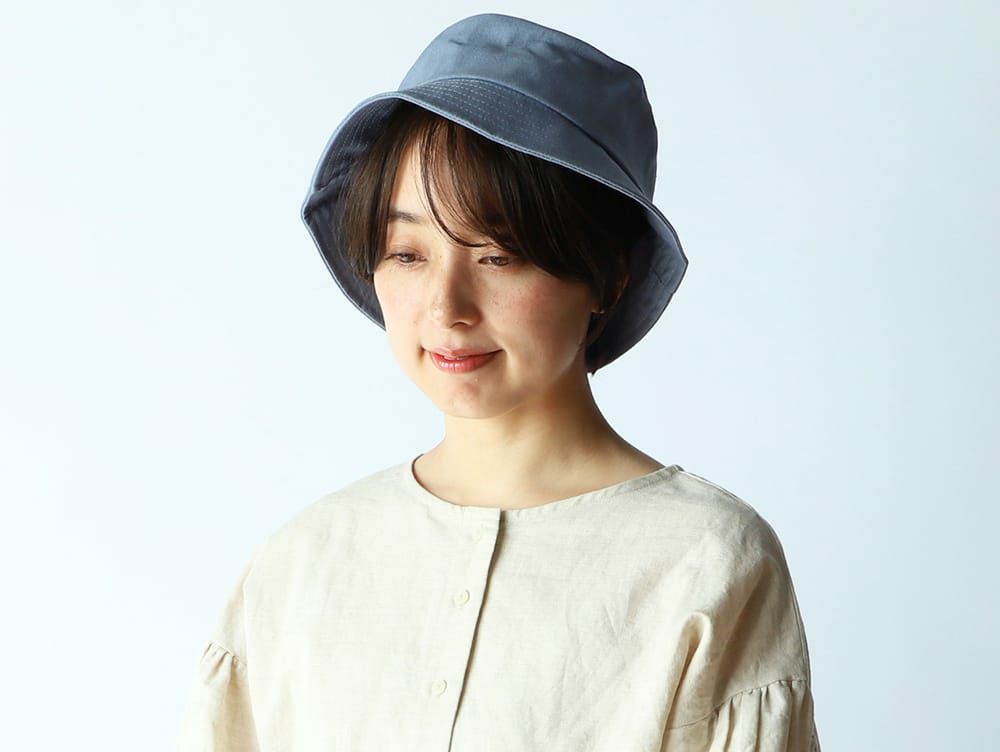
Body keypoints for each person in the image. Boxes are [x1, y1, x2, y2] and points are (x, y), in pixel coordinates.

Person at [174, 13, 821, 751]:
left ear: (609, 274)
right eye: (407, 253)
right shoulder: (304, 560)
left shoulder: (706, 560)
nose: (445, 309)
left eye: (498, 255)